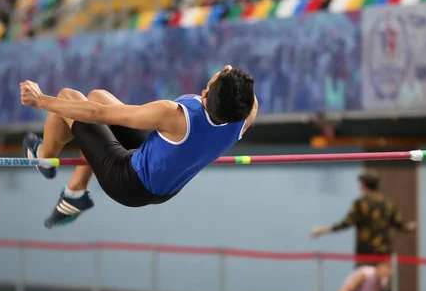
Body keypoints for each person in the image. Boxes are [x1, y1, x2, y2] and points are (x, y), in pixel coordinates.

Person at [19, 65, 258, 228]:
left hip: (128, 183)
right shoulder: (243, 120)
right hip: (166, 179)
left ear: (206, 92)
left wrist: (40, 100)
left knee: (68, 97)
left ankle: (43, 157)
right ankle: (75, 192)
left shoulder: (174, 115)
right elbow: (247, 96)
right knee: (98, 95)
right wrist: (229, 81)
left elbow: (97, 114)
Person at [311, 170, 416, 257]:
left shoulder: (360, 204)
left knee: (364, 279)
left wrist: (323, 230)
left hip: (366, 252)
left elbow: (346, 223)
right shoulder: (388, 204)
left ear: (364, 185)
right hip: (384, 252)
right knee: (381, 281)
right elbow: (400, 224)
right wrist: (411, 226)